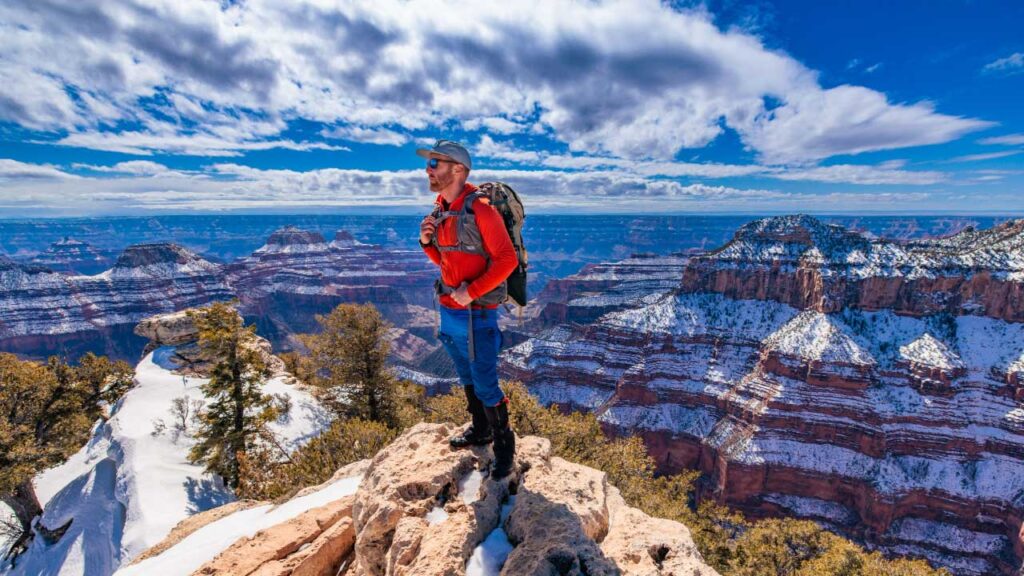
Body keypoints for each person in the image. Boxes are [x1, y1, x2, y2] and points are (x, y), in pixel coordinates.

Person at [417, 139, 519, 479]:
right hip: (450, 310)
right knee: (466, 376)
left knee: (486, 382)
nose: (428, 169)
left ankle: (505, 448)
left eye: (435, 163)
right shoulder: (440, 211)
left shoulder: (482, 210)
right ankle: (481, 429)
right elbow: (444, 262)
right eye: (429, 163)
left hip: (478, 312)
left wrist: (472, 291)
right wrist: (427, 243)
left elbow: (507, 259)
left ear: (458, 169)